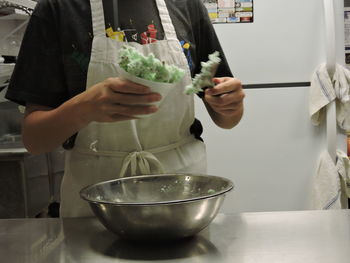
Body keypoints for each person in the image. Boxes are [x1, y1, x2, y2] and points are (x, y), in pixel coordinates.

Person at [5, 0, 245, 217]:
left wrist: (230, 106)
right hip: (96, 199)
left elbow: (226, 119)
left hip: (180, 191)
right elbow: (35, 140)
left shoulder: (187, 6)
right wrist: (85, 107)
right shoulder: (58, 9)